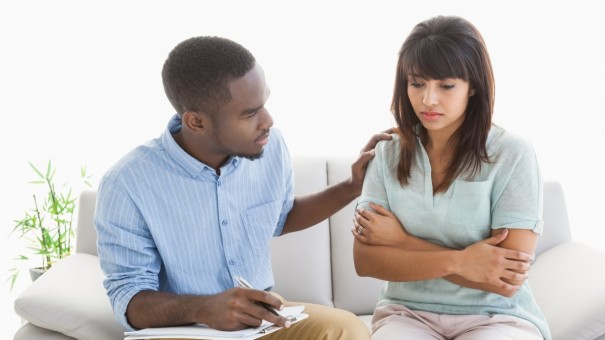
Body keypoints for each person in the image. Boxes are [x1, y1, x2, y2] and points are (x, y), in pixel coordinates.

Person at [94, 36, 392, 339]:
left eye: (264, 104)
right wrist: (204, 308)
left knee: (345, 329)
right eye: (249, 113)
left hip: (259, 322)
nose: (268, 121)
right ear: (196, 122)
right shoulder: (126, 184)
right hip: (180, 330)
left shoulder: (270, 147)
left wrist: (352, 187)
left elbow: (280, 217)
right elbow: (129, 299)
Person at [352, 15, 551, 340]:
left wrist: (402, 242)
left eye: (446, 85)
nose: (428, 99)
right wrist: (463, 262)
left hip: (496, 318)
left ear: (473, 86)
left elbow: (505, 280)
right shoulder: (387, 153)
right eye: (417, 83)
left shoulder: (512, 154)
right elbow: (366, 260)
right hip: (407, 314)